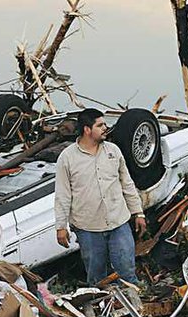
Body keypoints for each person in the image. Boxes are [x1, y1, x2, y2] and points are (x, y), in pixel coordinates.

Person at [54, 108, 147, 285]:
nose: (105, 127)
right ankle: (100, 309)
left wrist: (139, 213)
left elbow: (127, 183)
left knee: (127, 272)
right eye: (100, 125)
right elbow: (63, 195)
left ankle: (133, 307)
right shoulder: (67, 158)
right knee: (97, 278)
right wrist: (61, 226)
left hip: (118, 222)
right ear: (87, 130)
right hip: (88, 228)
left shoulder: (113, 151)